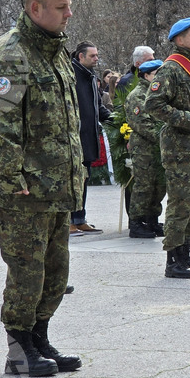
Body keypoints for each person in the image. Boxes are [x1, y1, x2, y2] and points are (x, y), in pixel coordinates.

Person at [0, 0, 84, 377]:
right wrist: (12, 179)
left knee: (55, 270)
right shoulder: (12, 52)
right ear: (34, 7)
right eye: (61, 7)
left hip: (57, 184)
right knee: (27, 267)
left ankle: (39, 337)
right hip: (25, 188)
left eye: (68, 5)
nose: (68, 14)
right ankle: (19, 348)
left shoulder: (54, 50)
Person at [143, 17, 190, 277]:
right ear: (179, 40)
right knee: (180, 205)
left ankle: (185, 254)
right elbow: (153, 104)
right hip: (179, 149)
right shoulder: (171, 69)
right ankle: (173, 260)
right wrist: (186, 119)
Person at [124, 58, 168, 239]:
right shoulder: (137, 95)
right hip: (144, 149)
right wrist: (164, 138)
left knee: (159, 186)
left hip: (158, 148)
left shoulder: (156, 93)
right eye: (157, 74)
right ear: (146, 75)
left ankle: (152, 220)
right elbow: (142, 124)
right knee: (144, 186)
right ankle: (136, 222)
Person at [70, 42, 110, 235]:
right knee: (72, 180)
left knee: (83, 179)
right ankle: (67, 220)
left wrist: (113, 119)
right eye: (92, 56)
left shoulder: (90, 76)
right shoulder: (71, 75)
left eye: (96, 55)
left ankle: (79, 218)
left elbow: (97, 107)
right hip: (74, 138)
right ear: (80, 56)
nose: (96, 59)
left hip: (88, 136)